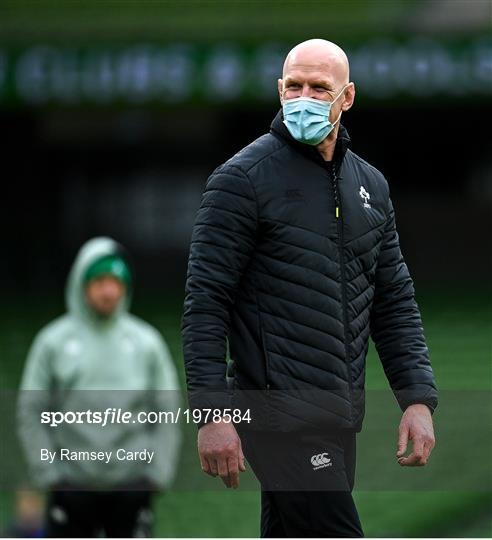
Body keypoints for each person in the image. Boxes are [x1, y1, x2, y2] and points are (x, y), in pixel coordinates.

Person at [181, 39, 438, 537]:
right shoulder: (242, 180)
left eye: (319, 88)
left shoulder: (371, 187)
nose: (304, 97)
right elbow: (206, 303)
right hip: (276, 415)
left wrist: (417, 400)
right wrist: (211, 414)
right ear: (279, 91)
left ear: (347, 98)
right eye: (293, 86)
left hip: (340, 416)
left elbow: (394, 303)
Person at [18, 236, 181, 538]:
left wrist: (155, 475)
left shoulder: (146, 343)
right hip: (70, 487)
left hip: (131, 486)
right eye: (100, 281)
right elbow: (31, 412)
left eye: (116, 282)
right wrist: (51, 476)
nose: (108, 291)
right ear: (81, 283)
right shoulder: (52, 342)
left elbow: (167, 411)